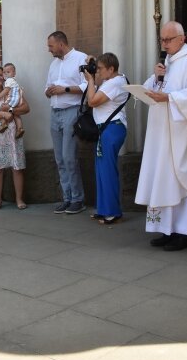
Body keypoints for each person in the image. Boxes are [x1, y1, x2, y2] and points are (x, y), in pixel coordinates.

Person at [135, 22, 187, 250]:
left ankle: (184, 233)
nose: (164, 44)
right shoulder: (167, 63)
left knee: (179, 181)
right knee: (162, 180)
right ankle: (166, 229)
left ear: (182, 38)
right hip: (161, 135)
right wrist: (156, 78)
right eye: (162, 40)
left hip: (182, 136)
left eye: (168, 40)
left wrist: (170, 98)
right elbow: (153, 90)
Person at [45, 31, 88, 214]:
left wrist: (66, 89)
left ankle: (78, 199)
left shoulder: (81, 59)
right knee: (60, 158)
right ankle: (67, 198)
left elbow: (88, 85)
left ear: (61, 44)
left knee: (69, 157)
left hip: (72, 111)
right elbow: (46, 88)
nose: (49, 50)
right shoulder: (53, 64)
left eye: (51, 46)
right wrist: (49, 91)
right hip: (55, 112)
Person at [84, 53, 129, 224]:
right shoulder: (114, 80)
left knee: (108, 171)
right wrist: (91, 63)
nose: (98, 72)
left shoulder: (115, 82)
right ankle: (104, 209)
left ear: (111, 69)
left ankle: (112, 212)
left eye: (101, 69)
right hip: (108, 130)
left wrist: (90, 81)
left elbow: (93, 101)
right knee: (102, 170)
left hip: (112, 129)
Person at [0, 66, 30, 211]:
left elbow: (26, 108)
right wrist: (3, 115)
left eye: (0, 74)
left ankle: (19, 199)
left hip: (12, 133)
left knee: (17, 167)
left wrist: (11, 110)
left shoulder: (13, 89)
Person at [0, 63, 25, 138]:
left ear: (14, 73)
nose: (6, 74)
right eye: (4, 72)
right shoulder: (14, 80)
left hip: (13, 99)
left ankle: (4, 124)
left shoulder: (9, 80)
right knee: (16, 115)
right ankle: (20, 128)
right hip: (17, 99)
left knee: (3, 109)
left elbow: (6, 90)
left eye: (8, 72)